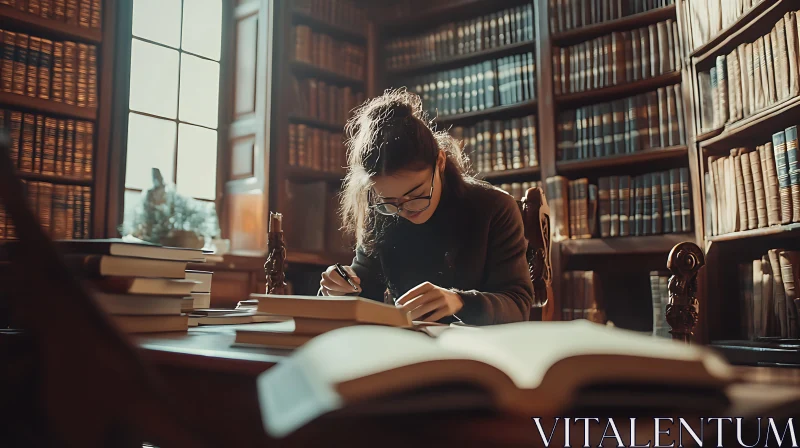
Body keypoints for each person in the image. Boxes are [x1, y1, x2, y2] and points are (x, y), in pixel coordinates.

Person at [319, 88, 534, 325]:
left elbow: (518, 306)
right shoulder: (381, 213)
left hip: (477, 355)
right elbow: (363, 291)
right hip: (404, 350)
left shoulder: (493, 207)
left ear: (440, 162)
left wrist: (459, 302)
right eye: (390, 201)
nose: (405, 209)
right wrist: (339, 289)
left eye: (417, 194)